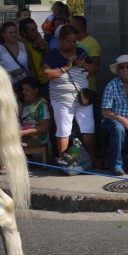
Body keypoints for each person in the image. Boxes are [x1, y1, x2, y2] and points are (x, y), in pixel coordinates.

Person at [42, 24, 97, 173]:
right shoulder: (52, 55)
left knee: (88, 128)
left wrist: (84, 64)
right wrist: (66, 67)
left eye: (74, 41)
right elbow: (47, 74)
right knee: (64, 130)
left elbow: (94, 69)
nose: (72, 44)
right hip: (61, 98)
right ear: (60, 40)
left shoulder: (81, 52)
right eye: (69, 41)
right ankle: (64, 163)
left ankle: (91, 160)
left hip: (82, 97)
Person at [18, 76, 51, 161]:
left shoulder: (41, 105)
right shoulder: (27, 105)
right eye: (23, 90)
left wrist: (24, 132)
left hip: (37, 139)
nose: (24, 92)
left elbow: (44, 126)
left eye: (26, 90)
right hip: (26, 136)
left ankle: (6, 166)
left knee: (9, 144)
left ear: (35, 91)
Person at [0, 21, 31, 88]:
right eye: (10, 33)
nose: (14, 35)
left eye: (15, 32)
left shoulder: (24, 47)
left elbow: (31, 67)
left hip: (25, 86)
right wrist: (12, 73)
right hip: (8, 86)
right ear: (3, 35)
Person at [19, 18, 50, 100]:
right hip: (28, 86)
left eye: (36, 28)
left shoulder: (42, 43)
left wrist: (44, 47)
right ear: (23, 33)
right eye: (32, 30)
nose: (36, 32)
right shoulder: (20, 47)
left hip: (44, 83)